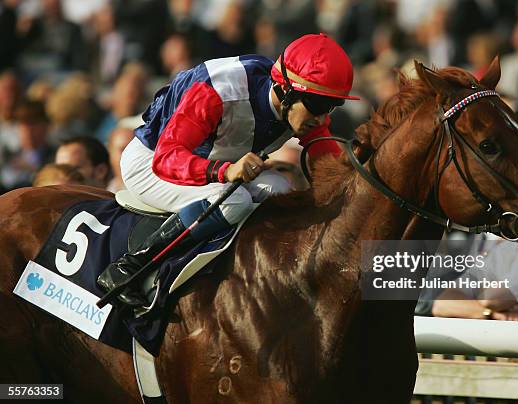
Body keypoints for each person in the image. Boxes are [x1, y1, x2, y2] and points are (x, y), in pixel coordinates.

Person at [96, 33, 360, 306]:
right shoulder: (217, 90)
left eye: (332, 106)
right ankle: (131, 266)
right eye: (317, 105)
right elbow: (167, 158)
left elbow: (334, 174)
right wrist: (224, 171)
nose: (322, 117)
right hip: (151, 163)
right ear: (286, 90)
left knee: (279, 188)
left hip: (210, 165)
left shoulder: (300, 106)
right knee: (235, 200)